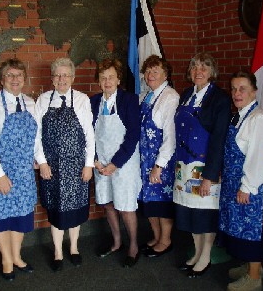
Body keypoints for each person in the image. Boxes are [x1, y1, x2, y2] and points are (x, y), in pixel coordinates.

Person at [0, 58, 39, 281]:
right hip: (0, 173)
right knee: (3, 218)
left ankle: (17, 256)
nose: (15, 79)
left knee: (21, 216)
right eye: (10, 75)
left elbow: (35, 138)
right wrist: (0, 175)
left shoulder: (30, 103)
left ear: (24, 79)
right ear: (2, 79)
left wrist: (37, 158)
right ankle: (6, 259)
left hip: (23, 172)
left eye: (19, 75)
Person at [173, 53, 231, 278]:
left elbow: (218, 139)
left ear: (212, 72)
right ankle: (197, 253)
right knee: (190, 212)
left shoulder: (220, 99)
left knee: (205, 213)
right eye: (195, 67)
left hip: (205, 167)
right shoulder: (187, 94)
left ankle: (205, 256)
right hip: (184, 167)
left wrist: (209, 176)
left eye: (204, 67)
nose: (199, 71)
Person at [35, 57, 95, 272]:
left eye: (66, 75)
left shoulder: (81, 99)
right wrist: (42, 162)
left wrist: (88, 164)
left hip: (76, 166)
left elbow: (89, 134)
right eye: (58, 75)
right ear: (52, 78)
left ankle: (75, 249)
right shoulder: (42, 100)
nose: (61, 79)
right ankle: (58, 252)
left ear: (72, 77)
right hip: (51, 166)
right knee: (56, 208)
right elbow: (37, 136)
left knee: (75, 207)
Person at [219, 71, 263, 291]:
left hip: (247, 187)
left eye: (242, 88)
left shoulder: (258, 119)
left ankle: (254, 278)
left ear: (254, 91)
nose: (236, 93)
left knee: (250, 231)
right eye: (233, 89)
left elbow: (258, 158)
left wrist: (247, 187)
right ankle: (249, 266)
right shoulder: (240, 115)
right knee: (239, 229)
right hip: (234, 184)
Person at [90, 59, 141, 268]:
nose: (107, 81)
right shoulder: (93, 102)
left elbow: (133, 135)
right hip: (101, 163)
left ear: (119, 79)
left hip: (124, 163)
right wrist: (94, 160)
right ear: (98, 82)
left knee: (126, 206)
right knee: (109, 203)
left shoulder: (129, 101)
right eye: (103, 78)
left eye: (111, 77)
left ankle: (134, 246)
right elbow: (88, 134)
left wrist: (115, 164)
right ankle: (117, 242)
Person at [138, 55, 179, 258]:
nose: (150, 75)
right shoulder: (148, 95)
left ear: (165, 74)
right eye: (148, 71)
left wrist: (159, 165)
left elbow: (170, 138)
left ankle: (166, 240)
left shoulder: (170, 97)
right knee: (149, 201)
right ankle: (156, 236)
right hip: (145, 160)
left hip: (160, 161)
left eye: (155, 71)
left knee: (162, 201)